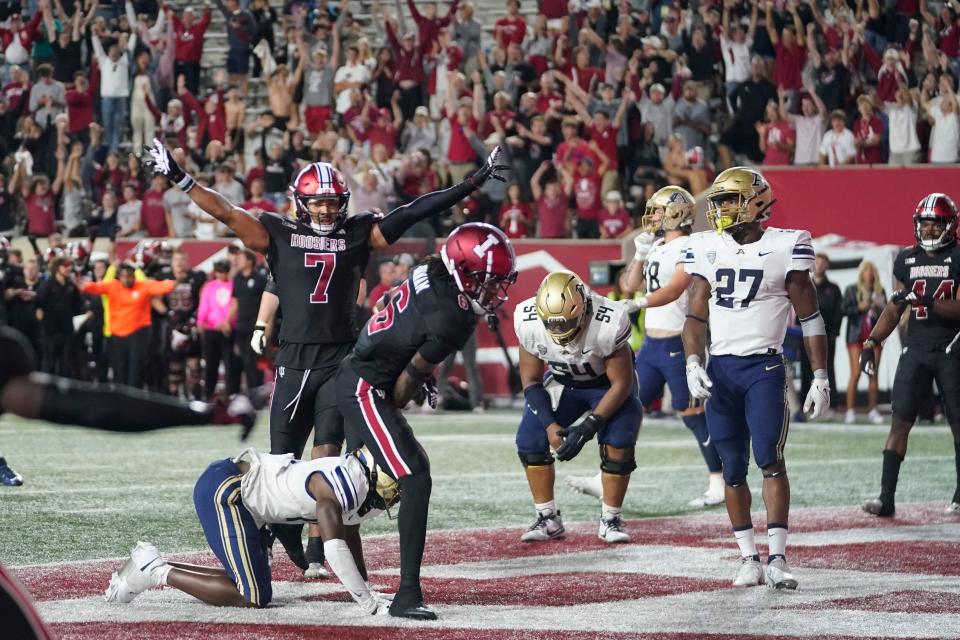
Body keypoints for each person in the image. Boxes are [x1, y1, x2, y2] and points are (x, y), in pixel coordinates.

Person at [142, 137, 508, 578]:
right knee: (281, 460)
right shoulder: (277, 232)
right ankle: (277, 530)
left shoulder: (357, 233)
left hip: (341, 359)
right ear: (300, 203)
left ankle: (319, 548)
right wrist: (181, 178)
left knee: (328, 457)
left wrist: (470, 183)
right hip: (295, 359)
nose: (325, 212)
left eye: (333, 204)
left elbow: (412, 211)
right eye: (317, 204)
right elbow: (225, 211)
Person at [335, 223, 518, 620]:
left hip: (361, 370)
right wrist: (420, 382)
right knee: (413, 475)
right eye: (483, 281)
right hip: (366, 386)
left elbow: (406, 327)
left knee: (361, 481)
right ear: (460, 271)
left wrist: (419, 371)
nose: (491, 291)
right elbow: (401, 392)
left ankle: (320, 549)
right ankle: (407, 593)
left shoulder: (428, 270)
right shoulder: (455, 316)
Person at [682, 167, 830, 590]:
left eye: (729, 200)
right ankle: (748, 556)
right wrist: (693, 362)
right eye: (719, 201)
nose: (720, 209)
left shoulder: (787, 245)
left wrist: (820, 375)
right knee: (731, 467)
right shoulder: (707, 246)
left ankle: (778, 556)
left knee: (769, 456)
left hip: (763, 367)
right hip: (721, 370)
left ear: (755, 201)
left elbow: (811, 318)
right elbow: (694, 316)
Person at [567, 186, 723, 507]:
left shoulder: (690, 245)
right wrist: (639, 254)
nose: (653, 216)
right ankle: (603, 478)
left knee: (693, 414)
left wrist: (637, 303)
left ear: (678, 213)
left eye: (659, 210)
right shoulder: (657, 245)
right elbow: (629, 283)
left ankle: (719, 480)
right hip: (652, 345)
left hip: (679, 342)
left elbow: (677, 286)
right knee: (623, 405)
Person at [104, 446, 397, 612]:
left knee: (248, 583)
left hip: (243, 497)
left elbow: (350, 532)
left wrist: (365, 588)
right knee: (253, 595)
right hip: (229, 493)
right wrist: (367, 602)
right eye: (395, 482)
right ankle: (155, 571)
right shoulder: (347, 484)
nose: (396, 491)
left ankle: (149, 564)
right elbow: (334, 546)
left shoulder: (351, 477)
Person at [514, 269, 641, 546]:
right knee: (529, 439)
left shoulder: (608, 320)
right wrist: (550, 425)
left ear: (583, 309)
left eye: (566, 322)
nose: (559, 330)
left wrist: (587, 428)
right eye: (552, 324)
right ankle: (547, 517)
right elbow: (531, 381)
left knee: (619, 441)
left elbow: (621, 383)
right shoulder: (527, 320)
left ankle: (611, 518)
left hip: (607, 387)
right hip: (564, 383)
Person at [861, 194, 960, 517]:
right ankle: (886, 497)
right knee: (900, 421)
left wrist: (927, 300)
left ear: (949, 225)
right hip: (915, 348)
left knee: (958, 424)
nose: (929, 229)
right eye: (925, 223)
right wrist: (873, 341)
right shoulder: (906, 259)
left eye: (935, 223)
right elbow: (895, 306)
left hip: (951, 348)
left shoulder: (957, 256)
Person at [80, 263, 176, 388]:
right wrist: (82, 285)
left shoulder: (143, 286)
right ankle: (121, 399)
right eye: (123, 276)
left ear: (134, 276)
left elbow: (163, 286)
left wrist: (176, 282)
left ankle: (134, 398)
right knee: (119, 369)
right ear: (119, 277)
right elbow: (94, 288)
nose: (126, 279)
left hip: (138, 333)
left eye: (129, 276)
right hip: (117, 334)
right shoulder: (113, 286)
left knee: (135, 369)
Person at [842, 260, 887, 425]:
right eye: (866, 270)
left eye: (872, 270)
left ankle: (873, 410)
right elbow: (844, 309)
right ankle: (850, 410)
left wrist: (879, 307)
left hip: (874, 338)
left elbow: (888, 314)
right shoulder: (852, 290)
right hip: (856, 336)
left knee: (872, 373)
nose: (869, 273)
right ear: (861, 273)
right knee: (855, 373)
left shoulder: (880, 291)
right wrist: (859, 308)